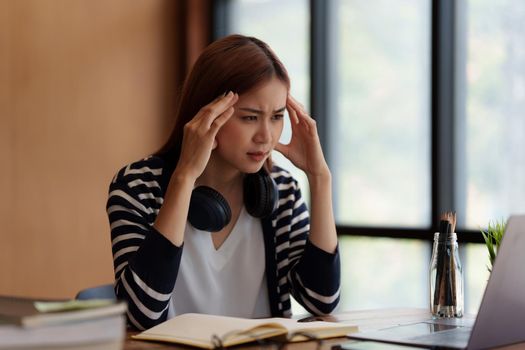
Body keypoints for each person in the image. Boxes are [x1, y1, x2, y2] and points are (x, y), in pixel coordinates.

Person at [107, 34, 340, 330]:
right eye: (250, 118)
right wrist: (184, 177)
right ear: (208, 114)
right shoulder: (137, 186)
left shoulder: (280, 190)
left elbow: (321, 300)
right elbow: (141, 313)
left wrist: (320, 178)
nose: (266, 136)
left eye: (277, 116)